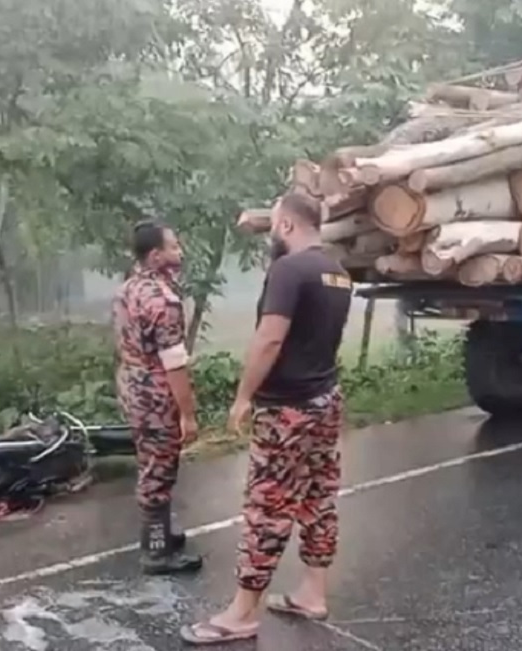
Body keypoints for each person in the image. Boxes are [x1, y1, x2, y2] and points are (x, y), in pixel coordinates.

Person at [180, 192, 353, 645]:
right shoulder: (337, 271)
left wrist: (243, 397)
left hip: (288, 409)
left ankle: (242, 613)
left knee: (266, 508)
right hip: (325, 399)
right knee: (319, 498)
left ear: (289, 226)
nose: (272, 233)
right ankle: (312, 593)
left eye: (275, 224)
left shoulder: (288, 270)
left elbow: (270, 339)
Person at [112, 219, 203, 575]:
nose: (180, 251)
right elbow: (173, 364)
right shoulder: (163, 302)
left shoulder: (129, 288)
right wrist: (187, 415)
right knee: (158, 470)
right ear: (155, 256)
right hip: (154, 391)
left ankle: (159, 533)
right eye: (174, 246)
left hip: (131, 383)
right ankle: (156, 552)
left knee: (151, 461)